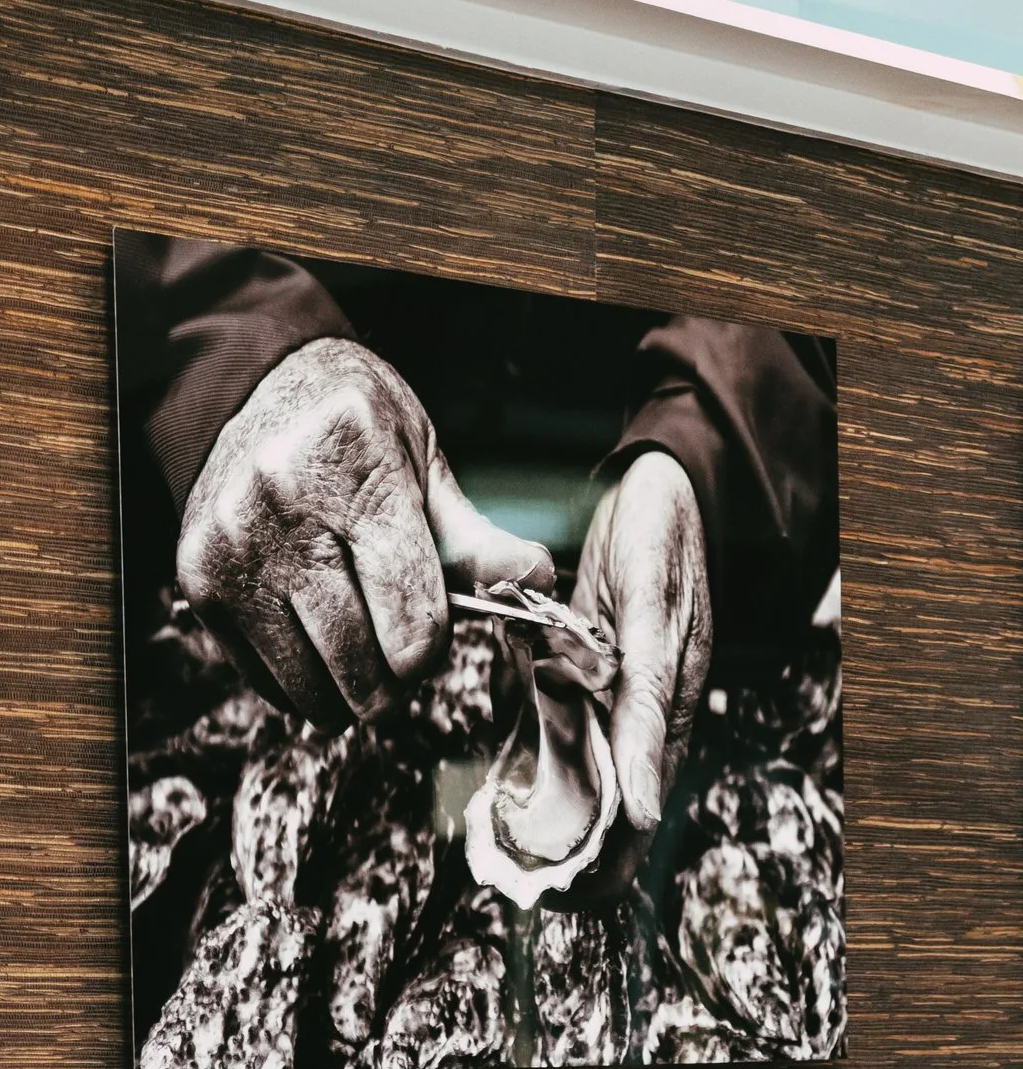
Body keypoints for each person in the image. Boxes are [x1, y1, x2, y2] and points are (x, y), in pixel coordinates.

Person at [111, 238, 837, 830]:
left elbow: (817, 223)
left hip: (648, 535)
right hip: (252, 578)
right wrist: (224, 352)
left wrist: (700, 446)